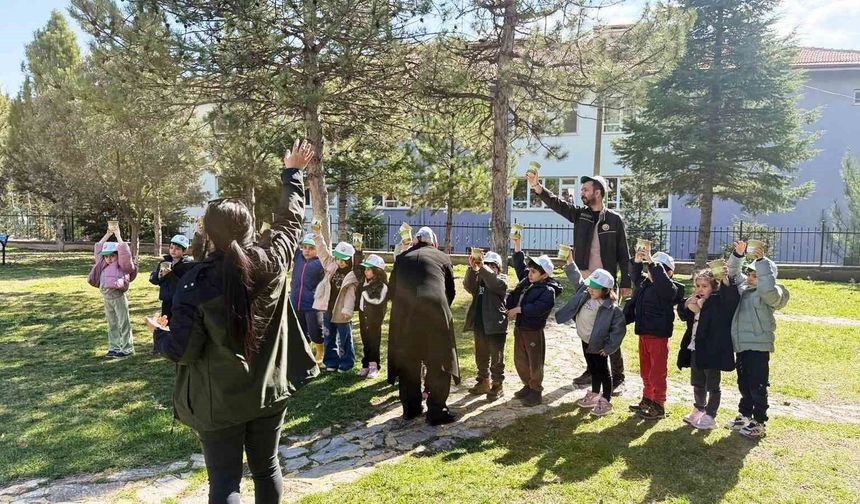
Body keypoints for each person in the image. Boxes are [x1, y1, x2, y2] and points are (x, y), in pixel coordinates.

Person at [145, 140, 319, 503]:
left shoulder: (195, 282)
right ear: (249, 229)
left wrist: (160, 335)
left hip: (218, 401)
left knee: (225, 484)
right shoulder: (273, 259)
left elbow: (182, 349)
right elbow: (290, 220)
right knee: (266, 467)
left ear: (209, 234)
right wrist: (292, 173)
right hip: (269, 391)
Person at [528, 173, 631, 394]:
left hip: (606, 283)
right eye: (582, 189)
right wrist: (538, 187)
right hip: (584, 281)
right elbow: (558, 204)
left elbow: (624, 253)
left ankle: (618, 375)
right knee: (585, 325)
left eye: (585, 189)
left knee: (607, 327)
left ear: (598, 193)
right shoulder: (580, 215)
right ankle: (592, 369)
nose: (582, 192)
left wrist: (626, 281)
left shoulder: (614, 219)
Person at [387, 227, 459, 425]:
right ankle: (436, 410)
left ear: (416, 241)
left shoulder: (401, 259)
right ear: (434, 242)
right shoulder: (442, 257)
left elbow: (391, 291)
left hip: (405, 316)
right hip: (434, 313)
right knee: (438, 361)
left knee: (408, 361)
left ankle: (410, 408)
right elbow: (450, 292)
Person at [725, 240, 790, 439]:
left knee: (757, 384)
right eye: (751, 274)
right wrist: (738, 255)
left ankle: (759, 421)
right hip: (742, 344)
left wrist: (761, 261)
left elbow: (767, 289)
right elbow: (733, 274)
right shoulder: (744, 289)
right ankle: (745, 415)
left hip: (759, 345)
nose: (751, 278)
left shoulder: (772, 293)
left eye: (756, 275)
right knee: (743, 382)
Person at [556, 256, 626, 417]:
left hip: (599, 345)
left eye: (594, 287)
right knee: (593, 369)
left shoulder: (611, 308)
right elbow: (578, 281)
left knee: (603, 372)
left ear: (606, 289)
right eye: (590, 286)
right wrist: (570, 263)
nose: (590, 289)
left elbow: (618, 331)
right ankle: (595, 394)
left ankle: (606, 401)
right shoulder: (586, 294)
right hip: (585, 340)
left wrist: (609, 348)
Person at [676, 265, 740, 430]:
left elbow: (728, 303)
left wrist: (702, 306)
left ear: (714, 287)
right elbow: (684, 315)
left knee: (712, 385)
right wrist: (687, 305)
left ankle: (711, 415)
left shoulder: (718, 302)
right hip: (696, 349)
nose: (700, 289)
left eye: (705, 286)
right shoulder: (695, 300)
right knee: (697, 382)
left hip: (713, 352)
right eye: (698, 285)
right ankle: (699, 408)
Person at [626, 250, 685, 420]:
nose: (652, 272)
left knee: (657, 372)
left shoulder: (669, 288)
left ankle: (659, 404)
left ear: (670, 273)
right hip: (643, 334)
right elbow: (635, 276)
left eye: (659, 269)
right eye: (650, 269)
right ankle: (648, 398)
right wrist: (637, 262)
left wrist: (652, 262)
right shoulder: (646, 284)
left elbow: (664, 284)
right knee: (645, 370)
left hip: (658, 337)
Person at [506, 236, 563, 407]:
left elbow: (540, 308)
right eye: (530, 270)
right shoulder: (529, 280)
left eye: (533, 272)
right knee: (520, 359)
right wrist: (517, 245)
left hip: (533, 330)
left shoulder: (548, 290)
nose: (529, 273)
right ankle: (527, 385)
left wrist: (519, 310)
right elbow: (519, 265)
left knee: (534, 361)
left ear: (544, 275)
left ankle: (536, 391)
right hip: (520, 328)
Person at [463, 250, 509, 401]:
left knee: (497, 357)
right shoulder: (480, 280)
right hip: (480, 323)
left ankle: (497, 384)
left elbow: (495, 284)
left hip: (496, 324)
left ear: (498, 268)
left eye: (492, 265)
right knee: (481, 355)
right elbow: (469, 286)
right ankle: (483, 381)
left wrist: (483, 267)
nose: (488, 267)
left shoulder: (502, 279)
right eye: (486, 264)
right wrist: (472, 269)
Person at [87, 226, 138, 358]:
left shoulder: (122, 265)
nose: (109, 259)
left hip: (118, 297)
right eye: (106, 257)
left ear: (117, 256)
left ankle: (127, 348)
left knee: (123, 323)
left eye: (112, 256)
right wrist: (108, 234)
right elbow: (98, 247)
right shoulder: (102, 264)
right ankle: (114, 347)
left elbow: (124, 252)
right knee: (112, 324)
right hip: (107, 298)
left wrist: (118, 235)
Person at [312, 234, 359, 372]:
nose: (340, 262)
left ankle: (346, 363)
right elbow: (322, 252)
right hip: (328, 308)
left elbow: (351, 295)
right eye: (338, 258)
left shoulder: (352, 275)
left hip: (342, 311)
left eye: (343, 260)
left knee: (344, 338)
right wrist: (317, 236)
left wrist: (347, 310)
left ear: (350, 260)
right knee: (328, 336)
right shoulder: (331, 265)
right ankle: (331, 362)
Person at [291, 233, 325, 364]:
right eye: (305, 247)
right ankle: (307, 351)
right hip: (295, 302)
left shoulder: (320, 263)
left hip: (312, 304)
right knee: (301, 330)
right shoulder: (298, 257)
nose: (307, 250)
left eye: (311, 248)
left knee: (315, 329)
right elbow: (291, 243)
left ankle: (320, 351)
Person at [356, 253, 389, 379]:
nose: (365, 271)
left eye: (369, 269)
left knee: (374, 342)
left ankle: (374, 366)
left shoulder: (382, 286)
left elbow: (375, 300)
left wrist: (366, 288)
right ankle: (365, 364)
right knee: (365, 340)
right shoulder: (363, 281)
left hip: (374, 318)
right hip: (363, 314)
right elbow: (356, 268)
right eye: (365, 269)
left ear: (377, 272)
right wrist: (358, 252)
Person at [149, 234, 193, 320]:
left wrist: (170, 275)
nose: (173, 250)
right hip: (166, 300)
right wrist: (159, 276)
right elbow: (155, 281)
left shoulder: (187, 265)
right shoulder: (164, 262)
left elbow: (184, 285)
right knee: (165, 323)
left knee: (178, 324)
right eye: (171, 248)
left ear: (184, 251)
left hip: (181, 301)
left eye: (177, 249)